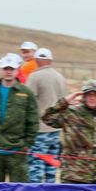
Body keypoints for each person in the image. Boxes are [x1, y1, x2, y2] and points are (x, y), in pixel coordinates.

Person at [42, 79, 96, 184]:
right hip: (73, 176)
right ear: (84, 96)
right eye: (88, 94)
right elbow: (47, 118)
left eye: (95, 94)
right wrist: (65, 102)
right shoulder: (71, 114)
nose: (92, 97)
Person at [0, 55, 39, 182]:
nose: (8, 71)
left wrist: (28, 143)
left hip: (17, 150)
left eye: (11, 69)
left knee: (19, 189)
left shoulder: (26, 93)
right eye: (5, 68)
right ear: (1, 70)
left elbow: (33, 120)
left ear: (17, 70)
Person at [26, 48, 67, 183]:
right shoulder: (60, 77)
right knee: (51, 168)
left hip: (39, 129)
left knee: (36, 167)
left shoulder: (35, 76)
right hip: (55, 130)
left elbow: (28, 102)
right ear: (50, 60)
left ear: (37, 60)